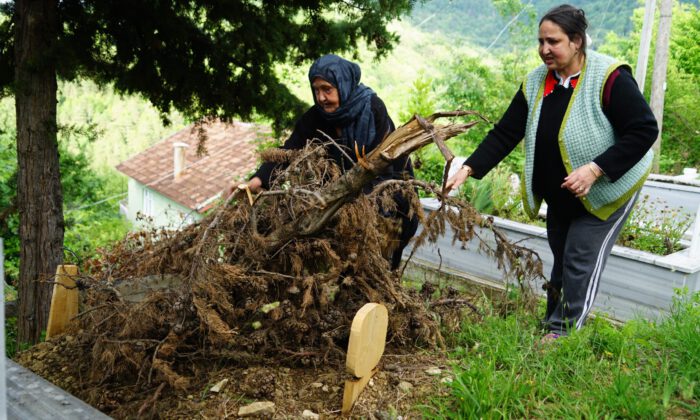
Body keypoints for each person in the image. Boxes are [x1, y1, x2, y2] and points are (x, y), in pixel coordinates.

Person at [445, 4, 658, 339]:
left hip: (608, 190)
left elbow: (644, 130)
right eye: (541, 41)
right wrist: (469, 168)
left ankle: (563, 334)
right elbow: (505, 133)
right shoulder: (535, 83)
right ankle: (551, 323)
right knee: (561, 259)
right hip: (562, 194)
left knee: (579, 259)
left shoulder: (609, 77)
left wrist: (595, 169)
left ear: (576, 41)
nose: (545, 49)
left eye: (553, 41)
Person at [243, 54, 418, 270]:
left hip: (388, 201)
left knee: (372, 270)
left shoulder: (372, 109)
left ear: (343, 85)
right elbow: (289, 150)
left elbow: (381, 167)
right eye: (316, 90)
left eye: (327, 89)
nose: (321, 98)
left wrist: (352, 206)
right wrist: (259, 180)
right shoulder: (317, 118)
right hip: (344, 203)